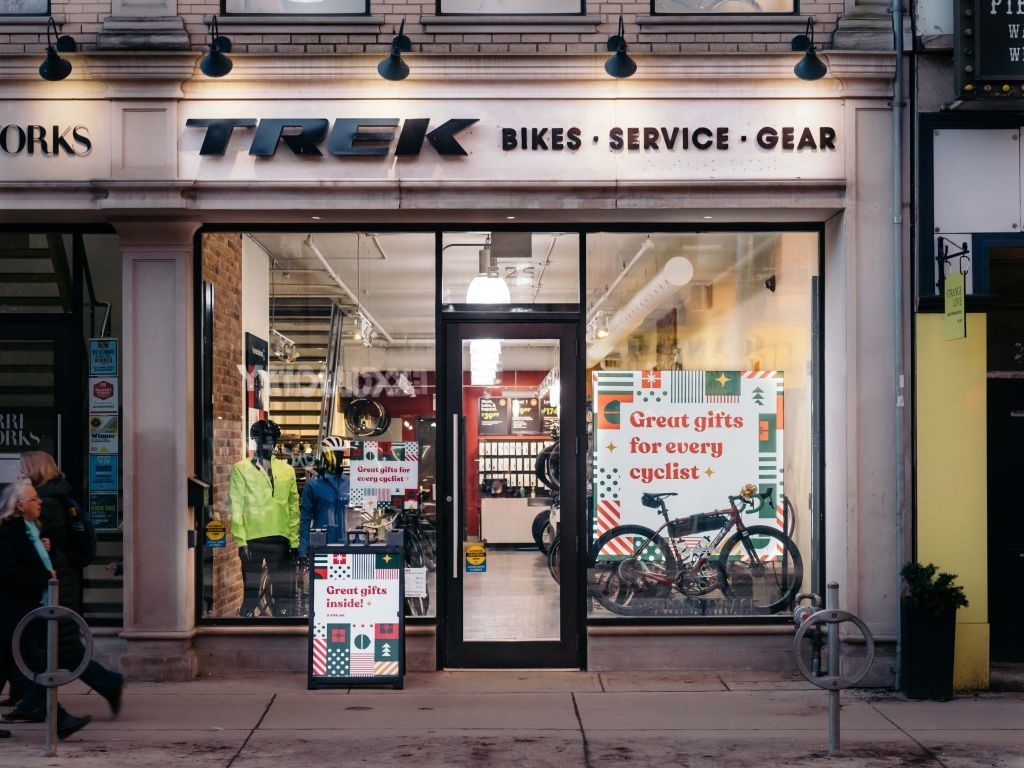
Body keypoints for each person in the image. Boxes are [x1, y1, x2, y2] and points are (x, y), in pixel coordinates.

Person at [8, 451, 124, 721]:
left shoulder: (44, 502)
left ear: (34, 470)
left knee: (53, 647)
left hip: (53, 583)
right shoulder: (58, 495)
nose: (19, 474)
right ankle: (33, 704)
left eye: (23, 469)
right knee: (51, 647)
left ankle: (107, 684)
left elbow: (31, 539)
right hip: (60, 579)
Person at [0, 478, 91, 740]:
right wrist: (43, 575)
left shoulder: (30, 530)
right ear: (19, 505)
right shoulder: (8, 534)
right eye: (33, 499)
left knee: (23, 667)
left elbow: (33, 563)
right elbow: (9, 572)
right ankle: (60, 720)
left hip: (26, 612)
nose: (39, 502)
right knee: (36, 668)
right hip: (13, 614)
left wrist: (44, 553)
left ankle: (57, 719)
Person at [229, 419, 299, 617]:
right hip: (252, 538)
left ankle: (281, 637)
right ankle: (245, 635)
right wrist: (241, 542)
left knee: (284, 594)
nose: (269, 443)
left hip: (281, 538)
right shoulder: (241, 469)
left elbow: (293, 508)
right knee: (251, 593)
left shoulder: (287, 470)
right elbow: (237, 507)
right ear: (255, 440)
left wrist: (293, 542)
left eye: (272, 439)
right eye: (264, 439)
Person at [298, 436, 351, 562]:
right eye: (332, 454)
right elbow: (305, 519)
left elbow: (357, 515)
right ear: (324, 455)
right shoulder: (312, 484)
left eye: (339, 454)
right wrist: (303, 550)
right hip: (321, 544)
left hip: (347, 544)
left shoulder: (349, 483)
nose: (336, 458)